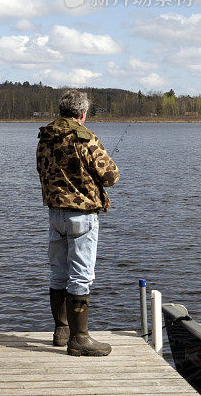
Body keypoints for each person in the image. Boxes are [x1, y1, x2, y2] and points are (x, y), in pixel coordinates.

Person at [36, 89, 119, 356]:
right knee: (81, 276)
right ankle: (79, 339)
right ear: (82, 113)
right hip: (81, 216)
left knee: (58, 272)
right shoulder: (85, 137)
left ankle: (61, 331)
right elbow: (110, 176)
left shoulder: (45, 136)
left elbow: (41, 170)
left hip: (55, 214)